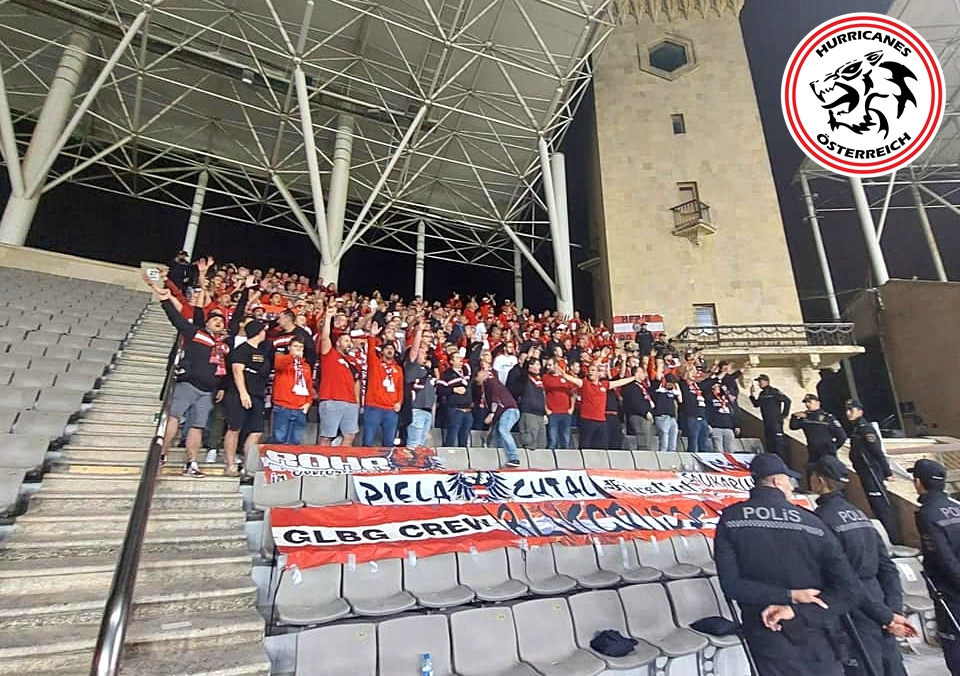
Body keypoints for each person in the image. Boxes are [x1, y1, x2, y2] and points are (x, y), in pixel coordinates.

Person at [715, 453, 863, 676]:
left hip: (766, 637)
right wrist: (797, 608)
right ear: (777, 482)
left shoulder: (730, 518)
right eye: (789, 481)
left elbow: (732, 586)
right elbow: (849, 590)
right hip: (819, 636)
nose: (792, 487)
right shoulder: (813, 522)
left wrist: (789, 595)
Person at [810, 456, 914, 676]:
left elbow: (844, 579)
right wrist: (893, 612)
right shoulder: (861, 516)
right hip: (879, 600)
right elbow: (888, 568)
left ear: (819, 480)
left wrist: (886, 617)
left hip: (853, 610)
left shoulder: (819, 520)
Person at [155, 286, 229, 477]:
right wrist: (165, 300)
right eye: (214, 319)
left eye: (221, 320)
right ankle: (160, 455)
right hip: (188, 385)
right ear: (206, 323)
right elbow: (177, 320)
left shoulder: (223, 346)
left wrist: (221, 386)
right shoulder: (197, 333)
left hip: (207, 391)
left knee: (197, 426)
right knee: (174, 417)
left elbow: (223, 369)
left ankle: (192, 463)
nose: (218, 322)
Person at [912, 458, 960, 676]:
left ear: (918, 482)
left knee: (954, 644)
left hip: (950, 592)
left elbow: (943, 557)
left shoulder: (927, 513)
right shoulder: (956, 508)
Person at [846, 400, 899, 543]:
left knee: (881, 505)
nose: (848, 413)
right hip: (864, 471)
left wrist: (887, 472)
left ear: (860, 412)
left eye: (851, 410)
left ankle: (893, 538)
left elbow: (877, 452)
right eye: (847, 410)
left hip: (872, 471)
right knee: (874, 505)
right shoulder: (856, 428)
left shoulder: (865, 429)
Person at [223, 320, 271, 476]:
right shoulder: (242, 349)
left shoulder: (262, 351)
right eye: (263, 330)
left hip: (257, 394)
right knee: (234, 428)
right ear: (258, 332)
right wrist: (243, 393)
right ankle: (230, 464)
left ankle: (246, 465)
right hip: (240, 394)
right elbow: (237, 371)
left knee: (257, 430)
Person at [559, 363, 636, 450]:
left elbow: (618, 382)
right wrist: (563, 374)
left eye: (593, 370)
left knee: (601, 446)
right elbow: (573, 379)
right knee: (585, 445)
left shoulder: (604, 384)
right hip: (587, 420)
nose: (590, 372)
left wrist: (633, 378)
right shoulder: (584, 383)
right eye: (589, 370)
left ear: (598, 373)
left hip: (601, 421)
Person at [317, 305, 361, 446]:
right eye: (346, 340)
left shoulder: (354, 361)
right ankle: (323, 459)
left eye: (350, 341)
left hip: (351, 403)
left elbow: (357, 382)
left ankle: (342, 458)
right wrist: (329, 317)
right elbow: (325, 338)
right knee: (326, 437)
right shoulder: (330, 354)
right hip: (331, 400)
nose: (349, 343)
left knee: (350, 436)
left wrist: (357, 402)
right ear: (337, 343)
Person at [363, 322, 404, 447]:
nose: (390, 350)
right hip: (374, 407)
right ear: (382, 352)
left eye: (392, 349)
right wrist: (372, 336)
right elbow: (370, 352)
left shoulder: (398, 369)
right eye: (387, 348)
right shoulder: (375, 364)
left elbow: (400, 388)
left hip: (391, 409)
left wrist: (399, 402)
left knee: (389, 443)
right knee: (368, 441)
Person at [270, 335, 315, 445]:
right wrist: (293, 357)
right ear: (289, 348)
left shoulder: (306, 366)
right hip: (283, 407)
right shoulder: (281, 359)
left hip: (300, 408)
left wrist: (308, 403)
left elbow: (309, 387)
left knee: (295, 442)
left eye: (301, 347)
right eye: (295, 346)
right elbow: (278, 365)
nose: (298, 349)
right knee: (279, 441)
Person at [477, 368, 521, 467]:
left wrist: (492, 413)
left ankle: (514, 458)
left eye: (478, 375)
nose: (476, 379)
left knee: (503, 430)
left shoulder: (491, 382)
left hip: (509, 410)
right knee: (495, 436)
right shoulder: (486, 386)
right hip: (502, 413)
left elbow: (495, 398)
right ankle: (496, 461)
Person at [404, 320, 437, 447]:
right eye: (421, 352)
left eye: (425, 353)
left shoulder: (427, 371)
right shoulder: (412, 367)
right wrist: (419, 332)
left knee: (421, 445)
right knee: (413, 443)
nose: (424, 354)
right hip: (416, 410)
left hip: (427, 412)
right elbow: (413, 352)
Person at [789, 394, 847, 465]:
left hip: (826, 453)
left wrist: (833, 447)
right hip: (813, 453)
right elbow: (793, 427)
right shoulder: (805, 417)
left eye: (809, 402)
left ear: (817, 403)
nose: (807, 404)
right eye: (806, 402)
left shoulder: (827, 418)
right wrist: (794, 417)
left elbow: (842, 436)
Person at [750, 374, 791, 462]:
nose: (759, 384)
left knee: (778, 444)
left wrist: (784, 415)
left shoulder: (774, 391)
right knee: (769, 443)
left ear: (766, 381)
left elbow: (787, 401)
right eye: (758, 382)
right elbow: (756, 404)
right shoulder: (762, 394)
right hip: (767, 422)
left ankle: (782, 462)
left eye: (760, 381)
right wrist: (752, 395)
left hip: (775, 422)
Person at [437, 351, 473, 447]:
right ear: (451, 361)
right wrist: (453, 390)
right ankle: (449, 453)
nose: (460, 359)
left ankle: (463, 455)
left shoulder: (467, 372)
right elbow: (439, 390)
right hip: (455, 409)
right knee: (452, 435)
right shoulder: (446, 374)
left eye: (460, 357)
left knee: (464, 437)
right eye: (457, 357)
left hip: (468, 410)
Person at [543, 358, 576, 450]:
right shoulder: (546, 378)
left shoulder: (566, 378)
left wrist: (572, 408)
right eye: (547, 365)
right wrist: (546, 409)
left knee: (565, 439)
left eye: (550, 365)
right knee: (553, 440)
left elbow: (573, 393)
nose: (548, 367)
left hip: (566, 413)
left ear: (556, 365)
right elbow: (543, 394)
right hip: (552, 412)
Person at [651, 373, 682, 452]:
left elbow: (680, 400)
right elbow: (657, 378)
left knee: (673, 443)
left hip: (672, 418)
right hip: (662, 417)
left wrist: (676, 385)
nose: (671, 384)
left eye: (673, 382)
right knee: (664, 442)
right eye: (670, 382)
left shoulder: (672, 391)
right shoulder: (658, 389)